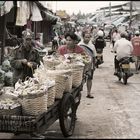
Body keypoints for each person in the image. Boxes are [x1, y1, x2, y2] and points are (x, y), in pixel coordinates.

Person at [78, 30, 97, 98]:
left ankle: (89, 93)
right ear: (83, 37)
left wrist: (94, 66)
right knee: (80, 79)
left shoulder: (92, 46)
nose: (87, 38)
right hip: (81, 65)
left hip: (90, 65)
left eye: (89, 37)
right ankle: (78, 92)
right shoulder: (79, 45)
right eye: (86, 37)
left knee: (89, 79)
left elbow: (94, 57)